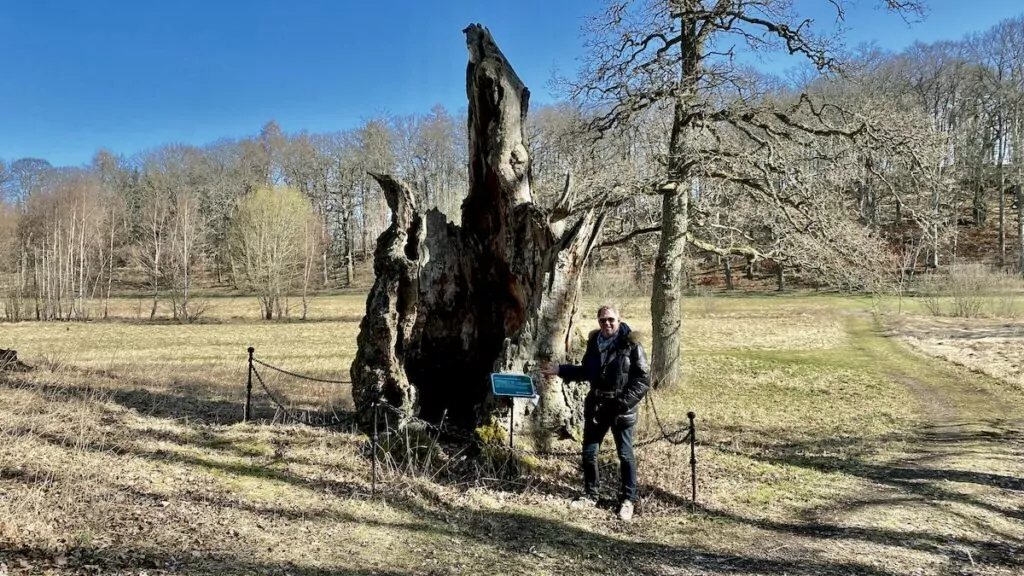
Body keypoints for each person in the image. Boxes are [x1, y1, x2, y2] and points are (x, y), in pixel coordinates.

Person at [541, 305, 650, 521]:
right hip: (597, 406)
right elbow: (586, 371)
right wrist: (560, 370)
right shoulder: (594, 343)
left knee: (625, 455)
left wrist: (623, 403)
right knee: (589, 453)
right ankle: (591, 494)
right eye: (602, 320)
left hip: (621, 409)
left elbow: (642, 380)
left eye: (611, 319)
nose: (607, 324)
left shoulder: (631, 344)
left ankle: (628, 500)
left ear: (619, 320)